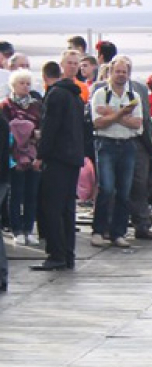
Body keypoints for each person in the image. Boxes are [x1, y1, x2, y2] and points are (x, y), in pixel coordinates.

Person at [33, 55, 85, 271]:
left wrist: (40, 155)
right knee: (66, 208)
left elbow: (50, 129)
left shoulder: (56, 95)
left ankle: (56, 254)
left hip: (57, 158)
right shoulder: (76, 96)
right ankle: (67, 254)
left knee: (52, 208)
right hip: (73, 158)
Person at [88, 55, 145, 248]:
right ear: (110, 73)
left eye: (124, 72)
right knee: (106, 188)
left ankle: (118, 232)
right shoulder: (100, 94)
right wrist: (122, 113)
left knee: (124, 191)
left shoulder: (133, 97)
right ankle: (98, 230)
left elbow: (138, 125)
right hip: (106, 144)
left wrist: (112, 114)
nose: (121, 75)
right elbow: (97, 123)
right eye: (117, 71)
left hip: (128, 145)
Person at [3, 70, 43, 247]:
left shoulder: (36, 105)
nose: (25, 87)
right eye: (22, 83)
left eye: (28, 83)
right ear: (13, 85)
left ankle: (29, 229)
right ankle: (16, 230)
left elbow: (42, 129)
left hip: (33, 155)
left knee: (31, 194)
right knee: (16, 193)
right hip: (14, 156)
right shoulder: (5, 105)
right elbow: (6, 130)